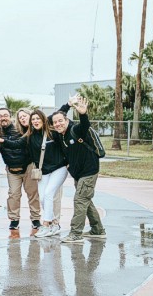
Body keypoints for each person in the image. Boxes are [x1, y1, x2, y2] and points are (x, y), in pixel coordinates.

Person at [0, 108, 69, 238]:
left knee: (49, 194)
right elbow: (16, 144)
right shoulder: (29, 135)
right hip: (43, 170)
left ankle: (48, 224)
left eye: (36, 118)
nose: (35, 121)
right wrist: (2, 141)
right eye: (33, 119)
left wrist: (68, 106)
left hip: (58, 168)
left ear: (43, 119)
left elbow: (60, 123)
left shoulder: (52, 132)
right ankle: (52, 224)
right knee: (42, 197)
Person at [51, 97, 106, 243]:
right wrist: (67, 105)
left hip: (89, 171)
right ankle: (97, 230)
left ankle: (75, 233)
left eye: (60, 121)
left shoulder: (75, 129)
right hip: (78, 174)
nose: (57, 124)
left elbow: (85, 125)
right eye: (55, 122)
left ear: (67, 121)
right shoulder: (59, 135)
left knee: (80, 201)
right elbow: (51, 118)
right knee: (86, 201)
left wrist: (82, 113)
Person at [0, 107, 40, 230]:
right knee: (13, 195)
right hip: (12, 169)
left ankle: (36, 218)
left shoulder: (20, 128)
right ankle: (14, 219)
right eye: (0, 116)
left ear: (10, 116)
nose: (3, 118)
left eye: (5, 115)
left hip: (27, 166)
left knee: (33, 194)